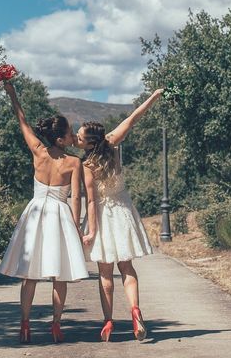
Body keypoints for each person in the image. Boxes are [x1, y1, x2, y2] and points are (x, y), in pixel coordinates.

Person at [0, 81, 92, 344]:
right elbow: (75, 198)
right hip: (59, 215)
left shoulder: (38, 152)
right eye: (70, 133)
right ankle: (56, 325)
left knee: (29, 275)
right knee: (58, 275)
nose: (73, 136)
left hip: (36, 212)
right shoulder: (74, 162)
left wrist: (12, 92)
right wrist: (75, 225)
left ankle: (25, 325)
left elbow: (22, 120)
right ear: (60, 139)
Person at [74, 88, 164, 342]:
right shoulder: (112, 143)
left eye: (80, 137)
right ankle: (136, 312)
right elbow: (135, 116)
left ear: (89, 142)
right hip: (123, 212)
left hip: (103, 216)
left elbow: (91, 200)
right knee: (127, 268)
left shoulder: (87, 165)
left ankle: (108, 321)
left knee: (105, 273)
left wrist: (90, 231)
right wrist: (155, 95)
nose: (77, 140)